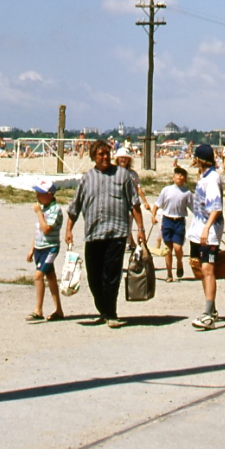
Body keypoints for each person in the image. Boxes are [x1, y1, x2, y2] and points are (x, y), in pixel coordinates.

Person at [64, 139, 145, 329]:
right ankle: (103, 309)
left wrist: (140, 229)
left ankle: (111, 313)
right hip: (93, 234)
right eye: (101, 154)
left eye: (107, 153)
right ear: (93, 157)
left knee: (112, 275)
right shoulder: (86, 178)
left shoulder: (123, 175)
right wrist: (68, 229)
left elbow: (134, 204)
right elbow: (74, 207)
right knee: (94, 277)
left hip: (116, 234)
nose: (105, 157)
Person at [188, 143, 224, 330]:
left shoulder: (212, 179)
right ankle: (213, 309)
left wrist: (206, 229)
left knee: (208, 270)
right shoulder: (205, 177)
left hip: (208, 232)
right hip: (199, 229)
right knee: (202, 270)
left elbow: (216, 208)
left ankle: (208, 314)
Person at [26, 178, 65, 322]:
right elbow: (38, 232)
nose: (37, 197)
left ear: (49, 195)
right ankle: (58, 310)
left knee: (38, 276)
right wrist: (32, 249)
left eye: (40, 194)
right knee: (51, 277)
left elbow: (47, 229)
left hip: (50, 248)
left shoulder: (55, 210)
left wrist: (38, 214)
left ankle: (38, 309)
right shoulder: (44, 209)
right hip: (40, 247)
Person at [151, 166, 192, 282]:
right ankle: (169, 274)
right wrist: (153, 215)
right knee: (168, 249)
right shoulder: (166, 190)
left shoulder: (187, 193)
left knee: (178, 248)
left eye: (182, 175)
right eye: (177, 174)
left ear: (185, 179)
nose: (180, 176)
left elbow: (193, 208)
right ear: (173, 177)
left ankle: (179, 262)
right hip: (167, 220)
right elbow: (157, 204)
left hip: (179, 221)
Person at [114, 147, 151, 213]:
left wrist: (145, 202)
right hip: (116, 204)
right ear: (117, 159)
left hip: (130, 204)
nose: (123, 159)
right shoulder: (113, 172)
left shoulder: (133, 174)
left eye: (126, 158)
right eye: (121, 157)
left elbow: (138, 188)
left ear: (129, 160)